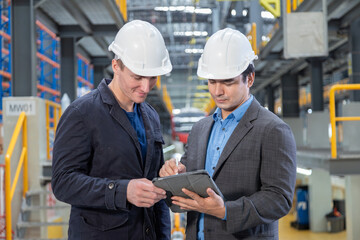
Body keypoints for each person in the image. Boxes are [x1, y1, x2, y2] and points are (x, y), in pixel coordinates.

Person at [159, 28, 297, 239]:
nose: (217, 91)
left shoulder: (273, 130)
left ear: (249, 79)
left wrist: (225, 210)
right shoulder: (200, 129)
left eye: (228, 82)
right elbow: (188, 178)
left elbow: (279, 199)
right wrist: (175, 174)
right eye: (212, 82)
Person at [52, 20, 172, 240]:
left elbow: (156, 189)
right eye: (137, 77)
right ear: (116, 66)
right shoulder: (82, 114)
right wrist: (121, 191)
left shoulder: (151, 115)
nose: (146, 87)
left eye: (152, 78)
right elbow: (62, 182)